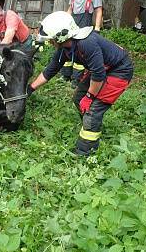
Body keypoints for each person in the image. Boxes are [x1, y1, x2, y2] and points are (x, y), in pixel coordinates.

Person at [27, 11, 133, 156]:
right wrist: (31, 88)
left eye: (51, 39)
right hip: (101, 70)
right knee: (78, 99)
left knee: (92, 109)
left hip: (118, 70)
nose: (50, 42)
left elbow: (98, 75)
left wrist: (89, 97)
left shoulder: (86, 43)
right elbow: (51, 70)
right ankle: (91, 126)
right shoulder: (64, 48)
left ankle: (85, 153)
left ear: (60, 35)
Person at [63, 0, 103, 82]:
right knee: (67, 48)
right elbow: (70, 8)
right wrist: (64, 21)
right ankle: (65, 76)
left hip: (85, 24)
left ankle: (76, 79)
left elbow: (99, 10)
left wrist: (97, 28)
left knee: (80, 51)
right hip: (72, 24)